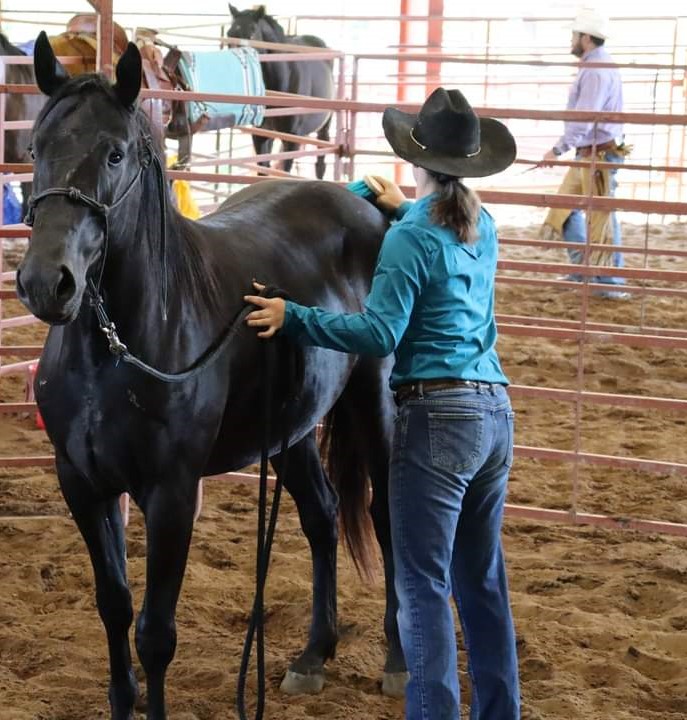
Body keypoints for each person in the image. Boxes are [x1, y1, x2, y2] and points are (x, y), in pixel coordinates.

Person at [245, 87, 521, 720]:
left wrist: (297, 317)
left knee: (421, 586)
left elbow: (378, 335)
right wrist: (404, 210)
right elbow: (436, 242)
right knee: (480, 579)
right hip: (494, 414)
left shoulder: (412, 236)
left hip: (438, 420)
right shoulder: (482, 225)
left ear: (418, 160)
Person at [540, 7, 630, 299]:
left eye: (575, 35)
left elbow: (584, 115)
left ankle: (607, 281)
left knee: (597, 216)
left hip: (596, 153)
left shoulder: (595, 70)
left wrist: (558, 148)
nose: (572, 40)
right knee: (572, 211)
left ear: (587, 38)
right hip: (594, 151)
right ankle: (590, 272)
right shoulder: (598, 66)